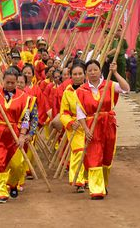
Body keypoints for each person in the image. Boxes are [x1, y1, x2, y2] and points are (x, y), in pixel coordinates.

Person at [75, 60, 130, 199]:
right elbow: (80, 113)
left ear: (100, 71)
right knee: (94, 155)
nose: (93, 73)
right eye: (90, 70)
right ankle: (96, 190)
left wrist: (116, 72)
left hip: (108, 125)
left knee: (107, 157)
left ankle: (103, 183)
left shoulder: (110, 86)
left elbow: (126, 88)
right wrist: (86, 129)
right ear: (86, 73)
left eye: (95, 70)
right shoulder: (81, 90)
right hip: (92, 125)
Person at [0, 68, 35, 203]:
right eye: (7, 82)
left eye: (13, 83)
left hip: (14, 133)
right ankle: (0, 193)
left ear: (17, 82)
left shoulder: (23, 97)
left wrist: (22, 135)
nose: (10, 85)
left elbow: (26, 119)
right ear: (2, 81)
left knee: (17, 164)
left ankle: (12, 183)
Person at [59, 63, 87, 192]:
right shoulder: (67, 92)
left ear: (84, 74)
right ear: (71, 76)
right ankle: (78, 180)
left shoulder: (89, 89)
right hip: (75, 126)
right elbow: (63, 113)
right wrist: (70, 122)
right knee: (79, 151)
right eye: (75, 74)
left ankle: (88, 178)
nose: (77, 76)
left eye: (80, 73)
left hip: (89, 124)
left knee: (90, 151)